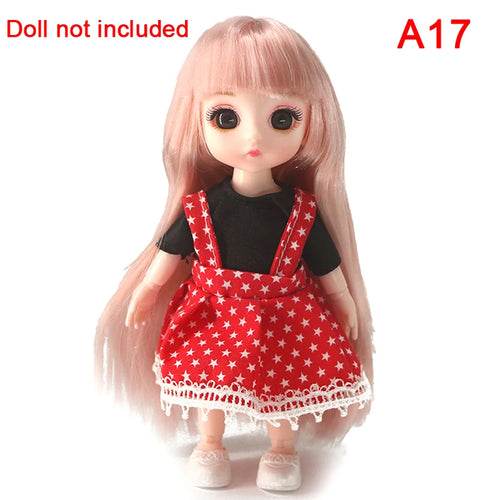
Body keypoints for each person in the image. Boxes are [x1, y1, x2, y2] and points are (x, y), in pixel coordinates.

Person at [95, 16, 375, 492]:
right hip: (214, 313)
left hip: (285, 314)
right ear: (195, 118)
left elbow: (326, 262)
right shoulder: (202, 208)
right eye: (226, 117)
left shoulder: (301, 211)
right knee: (212, 384)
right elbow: (169, 253)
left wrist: (344, 299)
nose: (253, 140)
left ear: (313, 120)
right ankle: (210, 444)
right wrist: (147, 288)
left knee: (283, 387)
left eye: (282, 119)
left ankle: (281, 450)